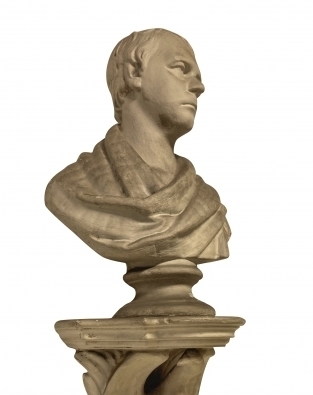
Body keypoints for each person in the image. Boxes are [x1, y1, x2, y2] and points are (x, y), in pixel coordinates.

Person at [45, 28, 230, 269]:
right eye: (181, 69)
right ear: (134, 72)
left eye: (196, 76)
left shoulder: (207, 205)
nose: (199, 87)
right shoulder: (71, 188)